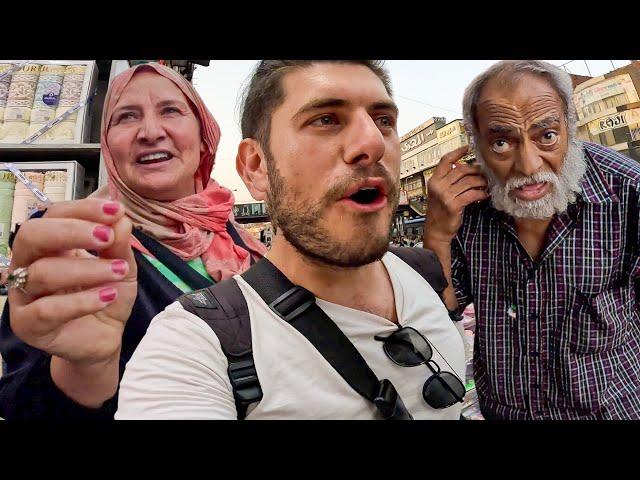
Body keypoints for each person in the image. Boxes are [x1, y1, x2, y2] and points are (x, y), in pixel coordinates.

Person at [115, 60, 466, 420]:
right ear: (256, 166)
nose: (373, 143)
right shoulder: (192, 346)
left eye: (383, 120)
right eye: (326, 119)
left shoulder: (421, 271)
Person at [0, 63, 266, 420]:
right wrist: (84, 372)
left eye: (171, 110)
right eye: (126, 117)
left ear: (205, 136)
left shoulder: (240, 239)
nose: (151, 131)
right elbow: (23, 400)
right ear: (108, 145)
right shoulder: (76, 239)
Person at [424, 60, 640, 419]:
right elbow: (443, 312)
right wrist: (437, 233)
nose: (528, 165)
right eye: (502, 142)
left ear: (570, 127)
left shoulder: (628, 193)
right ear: (475, 143)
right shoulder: (464, 208)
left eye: (547, 136)